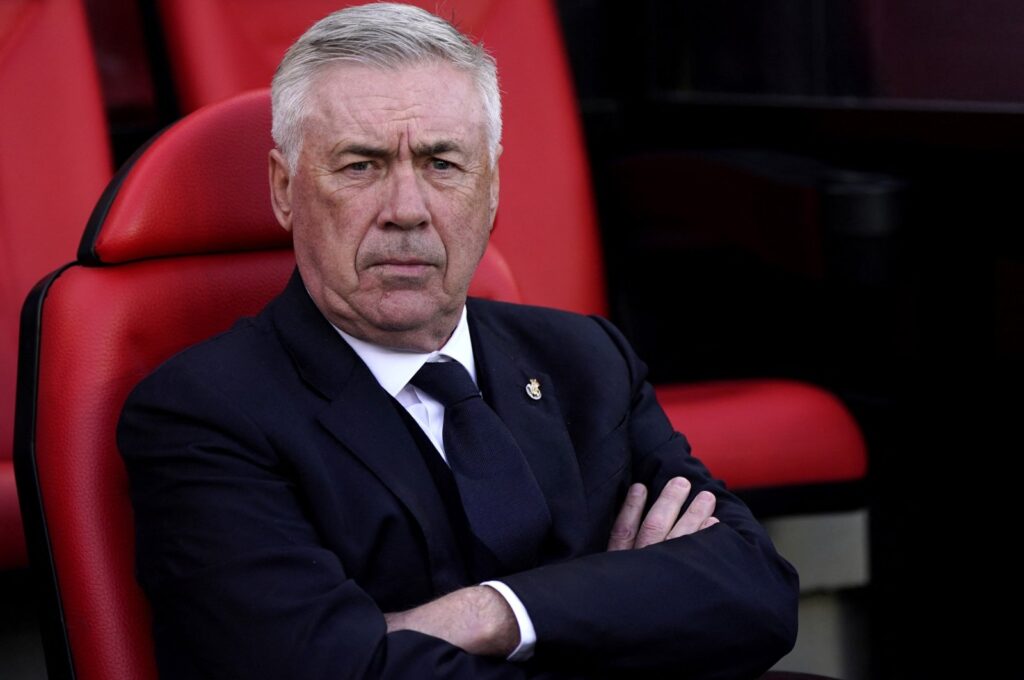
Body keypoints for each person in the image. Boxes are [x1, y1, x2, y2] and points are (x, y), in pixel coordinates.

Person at [117, 4, 798, 678]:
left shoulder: (588, 361)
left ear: (493, 188)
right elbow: (326, 669)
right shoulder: (204, 413)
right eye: (361, 165)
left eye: (443, 163)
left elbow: (757, 594)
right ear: (284, 189)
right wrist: (620, 607)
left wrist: (489, 615)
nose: (407, 210)